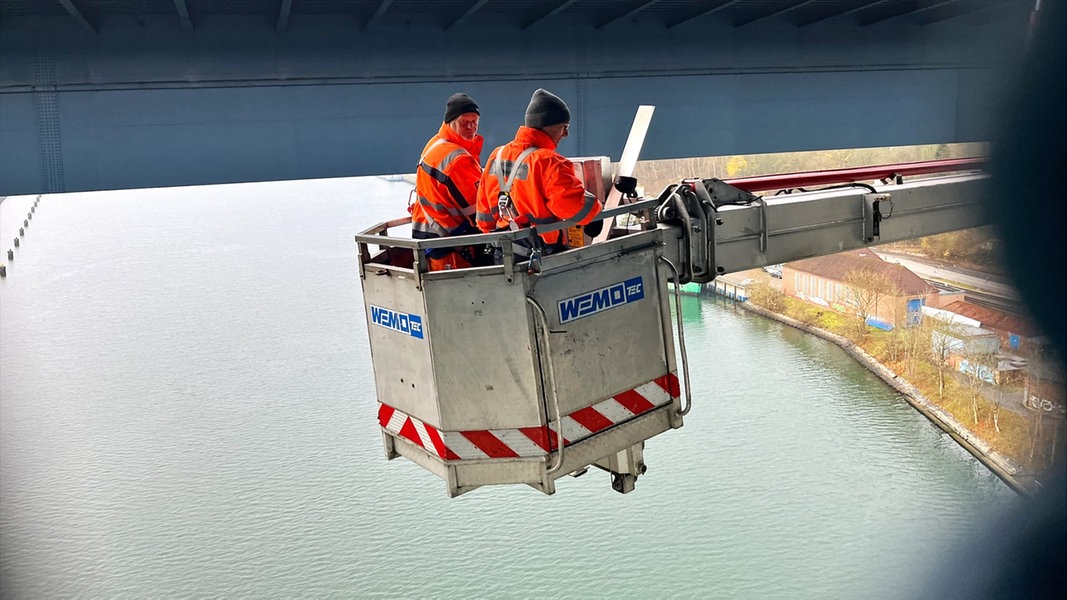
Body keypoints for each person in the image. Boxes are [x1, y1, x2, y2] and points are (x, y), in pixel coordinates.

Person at [475, 88, 602, 258]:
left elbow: (484, 214)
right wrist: (597, 210)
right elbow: (573, 206)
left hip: (502, 252)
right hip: (540, 256)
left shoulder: (497, 156)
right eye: (563, 127)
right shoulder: (550, 162)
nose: (565, 134)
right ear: (547, 126)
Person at [410, 93, 486, 271]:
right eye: (464, 122)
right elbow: (480, 211)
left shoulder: (436, 144)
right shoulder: (457, 159)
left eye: (474, 122)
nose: (471, 127)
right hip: (451, 247)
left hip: (432, 239)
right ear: (451, 122)